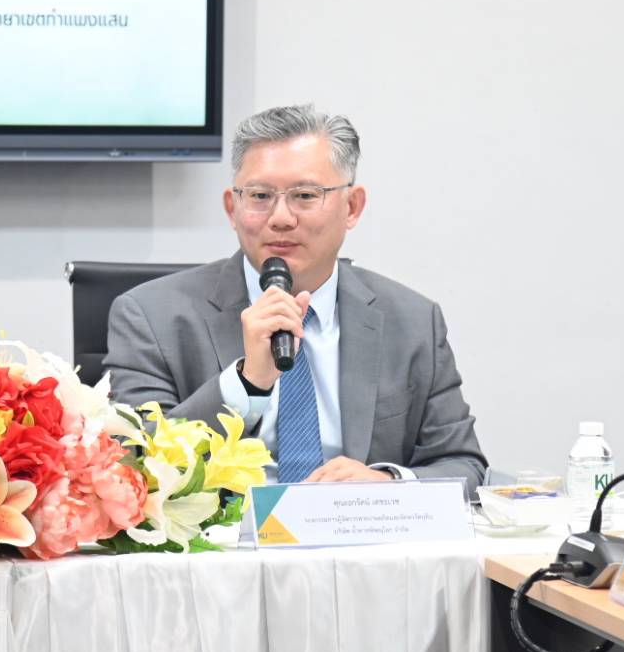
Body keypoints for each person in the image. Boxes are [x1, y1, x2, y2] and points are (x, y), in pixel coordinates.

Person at [106, 104, 487, 488]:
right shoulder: (150, 317)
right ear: (232, 209)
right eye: (260, 196)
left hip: (356, 524)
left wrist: (387, 485)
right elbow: (135, 464)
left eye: (304, 195)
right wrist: (247, 382)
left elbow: (462, 465)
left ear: (352, 207)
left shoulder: (413, 321)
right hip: (230, 527)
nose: (281, 218)